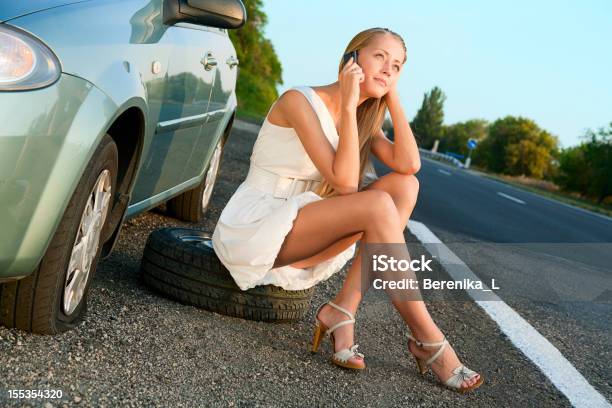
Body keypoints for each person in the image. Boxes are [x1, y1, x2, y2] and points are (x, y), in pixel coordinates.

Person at [212, 27, 483, 393]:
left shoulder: (362, 120)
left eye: (398, 66)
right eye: (380, 58)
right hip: (258, 228)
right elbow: (346, 185)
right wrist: (354, 91)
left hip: (309, 228)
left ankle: (343, 308)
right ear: (351, 59)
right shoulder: (299, 101)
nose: (388, 69)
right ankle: (428, 337)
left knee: (404, 186)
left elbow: (409, 164)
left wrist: (392, 98)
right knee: (375, 203)